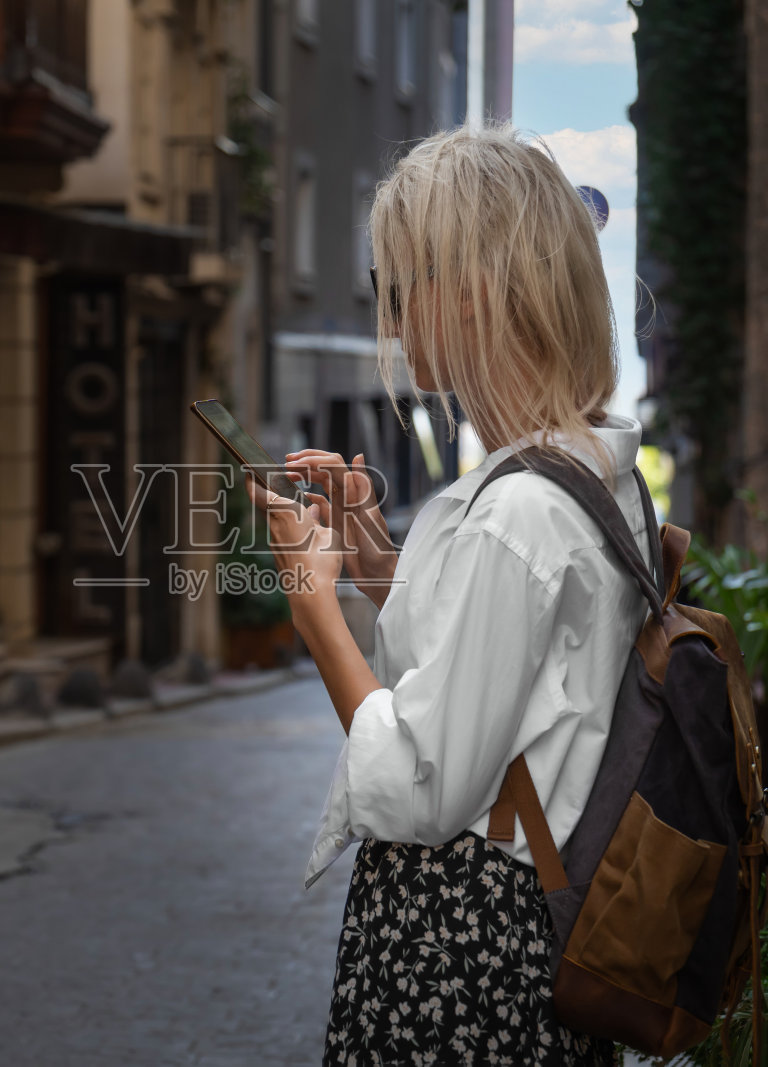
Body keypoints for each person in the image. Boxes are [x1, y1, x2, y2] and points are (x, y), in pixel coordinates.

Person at [248, 122, 651, 1065]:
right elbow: (487, 684)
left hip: (464, 950)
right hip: (518, 932)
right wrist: (376, 564)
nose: (388, 319)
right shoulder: (587, 471)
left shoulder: (519, 513)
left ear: (474, 293)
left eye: (399, 285)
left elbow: (422, 783)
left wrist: (312, 608)